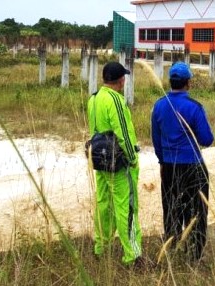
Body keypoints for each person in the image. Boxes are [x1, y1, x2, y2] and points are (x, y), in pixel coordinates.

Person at [151, 61, 214, 261]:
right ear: (188, 83)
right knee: (197, 210)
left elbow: (156, 139)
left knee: (171, 208)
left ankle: (171, 249)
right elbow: (207, 139)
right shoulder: (194, 107)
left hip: (169, 166)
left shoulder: (159, 105)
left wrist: (162, 161)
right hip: (193, 166)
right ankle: (194, 254)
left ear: (170, 81)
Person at [87, 62, 142, 266]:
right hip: (117, 163)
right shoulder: (116, 100)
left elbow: (94, 130)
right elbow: (124, 134)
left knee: (103, 204)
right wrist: (133, 159)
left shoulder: (94, 98)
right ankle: (133, 254)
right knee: (126, 207)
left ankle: (101, 246)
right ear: (121, 80)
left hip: (99, 160)